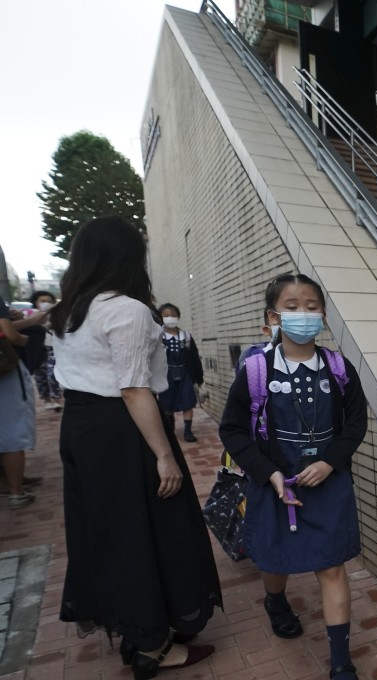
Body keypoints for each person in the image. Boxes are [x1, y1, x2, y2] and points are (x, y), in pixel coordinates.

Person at [50, 216, 221, 679]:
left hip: (82, 429)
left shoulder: (68, 310)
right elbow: (133, 388)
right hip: (124, 430)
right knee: (146, 529)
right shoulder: (126, 310)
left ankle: (138, 631)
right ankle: (152, 644)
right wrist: (164, 454)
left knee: (107, 530)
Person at [219, 274, 367, 680]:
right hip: (273, 485)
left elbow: (355, 424)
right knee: (275, 559)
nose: (303, 314)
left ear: (323, 314)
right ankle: (275, 600)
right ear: (273, 315)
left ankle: (341, 662)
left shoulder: (339, 368)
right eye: (293, 305)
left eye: (312, 306)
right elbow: (231, 430)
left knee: (332, 567)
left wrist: (329, 463)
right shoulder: (255, 370)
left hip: (328, 484)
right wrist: (268, 474)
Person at [0, 296, 46, 508]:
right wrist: (30, 331)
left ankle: (11, 481)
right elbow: (8, 333)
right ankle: (16, 491)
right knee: (13, 428)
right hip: (5, 370)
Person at [155, 304, 204, 443]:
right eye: (165, 316)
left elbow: (194, 357)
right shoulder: (158, 335)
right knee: (167, 403)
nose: (169, 318)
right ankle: (169, 428)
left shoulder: (186, 336)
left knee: (188, 402)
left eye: (172, 315)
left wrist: (198, 377)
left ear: (178, 317)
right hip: (166, 374)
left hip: (185, 373)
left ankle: (188, 431)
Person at [27, 290, 63, 410]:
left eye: (49, 301)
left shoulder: (58, 315)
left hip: (53, 348)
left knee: (53, 373)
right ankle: (46, 399)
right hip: (38, 350)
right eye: (43, 301)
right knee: (40, 376)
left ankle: (56, 399)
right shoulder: (30, 314)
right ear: (35, 302)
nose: (46, 303)